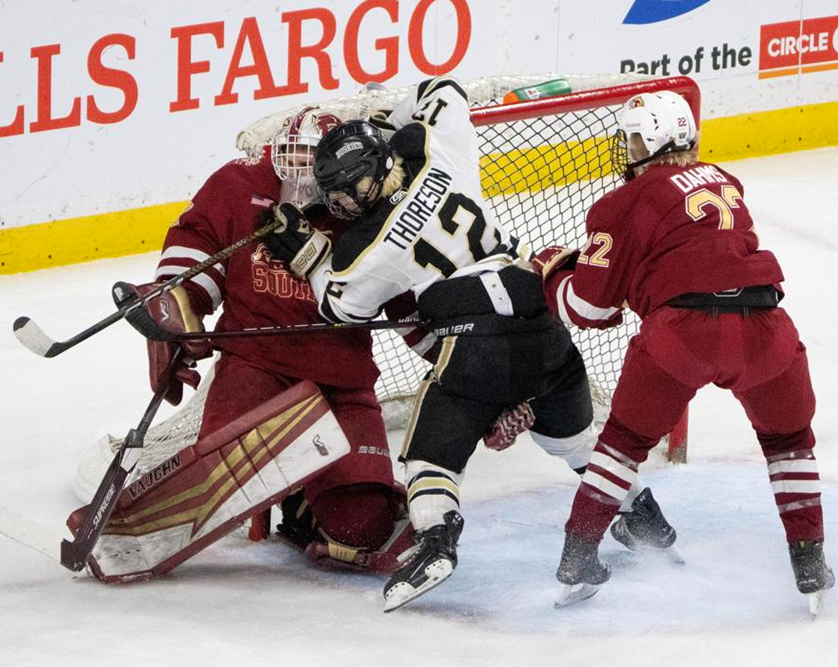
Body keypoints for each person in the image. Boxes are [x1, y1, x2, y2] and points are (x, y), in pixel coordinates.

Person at [265, 76, 678, 612]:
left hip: (475, 338)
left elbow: (342, 306)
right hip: (541, 317)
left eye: (344, 191)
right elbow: (445, 89)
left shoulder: (373, 250)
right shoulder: (443, 154)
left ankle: (437, 542)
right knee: (576, 444)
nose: (340, 203)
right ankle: (645, 517)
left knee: (427, 457)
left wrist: (311, 256)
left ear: (365, 180)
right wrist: (390, 121)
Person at [72, 107, 417, 579]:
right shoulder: (239, 183)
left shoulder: (372, 205)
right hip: (257, 368)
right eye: (287, 165)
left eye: (309, 175)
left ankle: (299, 504)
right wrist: (177, 307)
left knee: (362, 527)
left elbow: (412, 303)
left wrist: (474, 372)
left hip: (341, 383)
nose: (294, 187)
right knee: (222, 477)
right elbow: (198, 245)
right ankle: (287, 484)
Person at [542, 91, 832, 611]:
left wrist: (553, 272)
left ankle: (578, 553)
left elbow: (589, 310)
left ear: (646, 143)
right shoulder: (727, 182)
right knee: (789, 440)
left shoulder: (620, 202)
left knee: (624, 443)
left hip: (682, 334)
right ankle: (809, 559)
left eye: (631, 139)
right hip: (766, 328)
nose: (625, 149)